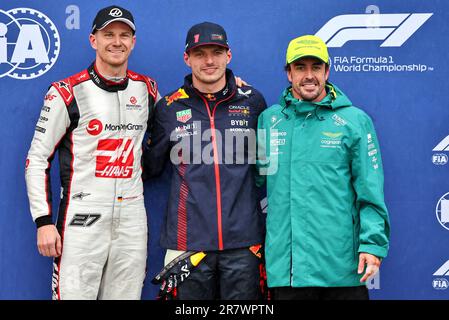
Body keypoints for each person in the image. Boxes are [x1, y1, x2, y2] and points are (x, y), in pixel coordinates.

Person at [25, 5, 159, 300]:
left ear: (133, 42)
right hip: (82, 218)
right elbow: (36, 159)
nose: (116, 41)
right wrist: (43, 221)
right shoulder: (67, 91)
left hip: (132, 219)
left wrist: (232, 87)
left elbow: (176, 120)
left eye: (124, 35)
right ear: (93, 40)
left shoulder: (147, 89)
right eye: (108, 34)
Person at [257, 35, 390, 300]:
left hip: (341, 269)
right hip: (288, 271)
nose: (309, 75)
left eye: (316, 67)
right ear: (288, 73)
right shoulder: (269, 120)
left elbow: (370, 191)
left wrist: (372, 245)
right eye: (300, 67)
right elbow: (251, 180)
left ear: (327, 71)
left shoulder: (354, 121)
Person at [144, 22, 267, 300]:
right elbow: (149, 167)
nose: (209, 61)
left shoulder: (253, 101)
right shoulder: (168, 107)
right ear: (187, 58)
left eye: (216, 52)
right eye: (200, 53)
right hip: (188, 245)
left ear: (229, 56)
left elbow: (267, 164)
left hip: (244, 244)